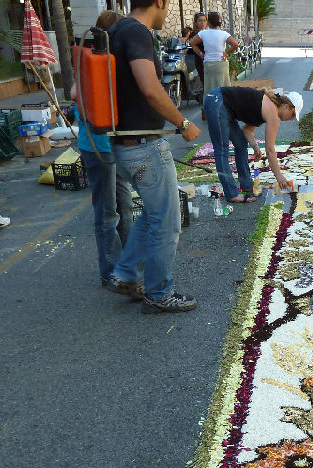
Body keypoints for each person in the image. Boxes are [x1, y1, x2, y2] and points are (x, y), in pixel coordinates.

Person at [107, 0, 201, 314]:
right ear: (159, 2)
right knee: (167, 222)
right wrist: (183, 122)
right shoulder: (137, 32)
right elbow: (150, 87)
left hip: (125, 143)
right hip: (143, 146)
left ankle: (126, 274)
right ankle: (160, 293)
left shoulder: (116, 29)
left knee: (153, 215)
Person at [72, 10, 133, 289]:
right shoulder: (92, 61)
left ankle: (129, 264)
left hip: (116, 146)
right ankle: (110, 270)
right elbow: (76, 95)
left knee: (125, 206)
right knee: (108, 213)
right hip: (98, 147)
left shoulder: (112, 59)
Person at [203, 86, 303, 203]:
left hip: (222, 104)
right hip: (217, 101)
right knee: (221, 150)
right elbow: (270, 151)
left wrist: (255, 146)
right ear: (286, 107)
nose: (292, 119)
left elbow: (247, 130)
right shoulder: (272, 116)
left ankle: (247, 185)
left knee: (240, 143)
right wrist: (279, 177)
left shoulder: (268, 108)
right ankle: (231, 193)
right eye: (293, 114)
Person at [190, 12, 239, 118]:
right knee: (224, 87)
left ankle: (208, 113)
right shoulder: (224, 34)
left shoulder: (203, 33)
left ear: (209, 22)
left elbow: (192, 43)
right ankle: (226, 111)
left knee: (209, 88)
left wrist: (200, 54)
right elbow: (235, 44)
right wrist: (226, 53)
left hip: (208, 64)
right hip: (221, 63)